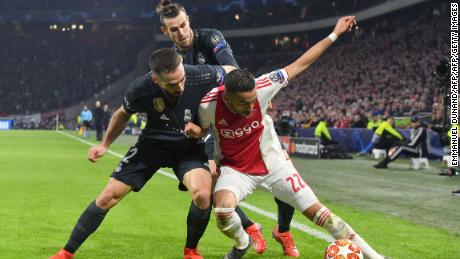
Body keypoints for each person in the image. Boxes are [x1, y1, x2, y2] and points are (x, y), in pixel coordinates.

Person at [186, 16, 384, 259]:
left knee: (324, 217)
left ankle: (377, 257)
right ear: (226, 97)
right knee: (223, 210)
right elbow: (204, 130)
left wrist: (335, 34)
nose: (251, 107)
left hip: (275, 165)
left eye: (253, 101)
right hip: (236, 170)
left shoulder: (263, 86)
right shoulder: (208, 106)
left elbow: (301, 63)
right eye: (243, 103)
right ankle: (243, 242)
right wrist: (199, 132)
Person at [49, 48, 235, 259]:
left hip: (188, 147)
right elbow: (122, 115)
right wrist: (104, 145)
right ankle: (66, 253)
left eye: (182, 79)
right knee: (108, 196)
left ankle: (191, 251)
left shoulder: (201, 74)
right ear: (156, 79)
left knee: (202, 194)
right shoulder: (140, 88)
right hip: (151, 146)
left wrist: (256, 96)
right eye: (172, 84)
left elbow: (232, 72)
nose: (181, 86)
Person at [156, 0, 298, 255]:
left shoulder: (211, 38)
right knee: (209, 186)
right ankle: (250, 227)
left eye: (184, 25)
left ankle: (284, 230)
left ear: (189, 20)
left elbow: (232, 70)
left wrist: (199, 75)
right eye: (174, 29)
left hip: (241, 115)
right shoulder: (172, 59)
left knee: (283, 177)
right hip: (211, 123)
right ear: (165, 31)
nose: (182, 32)